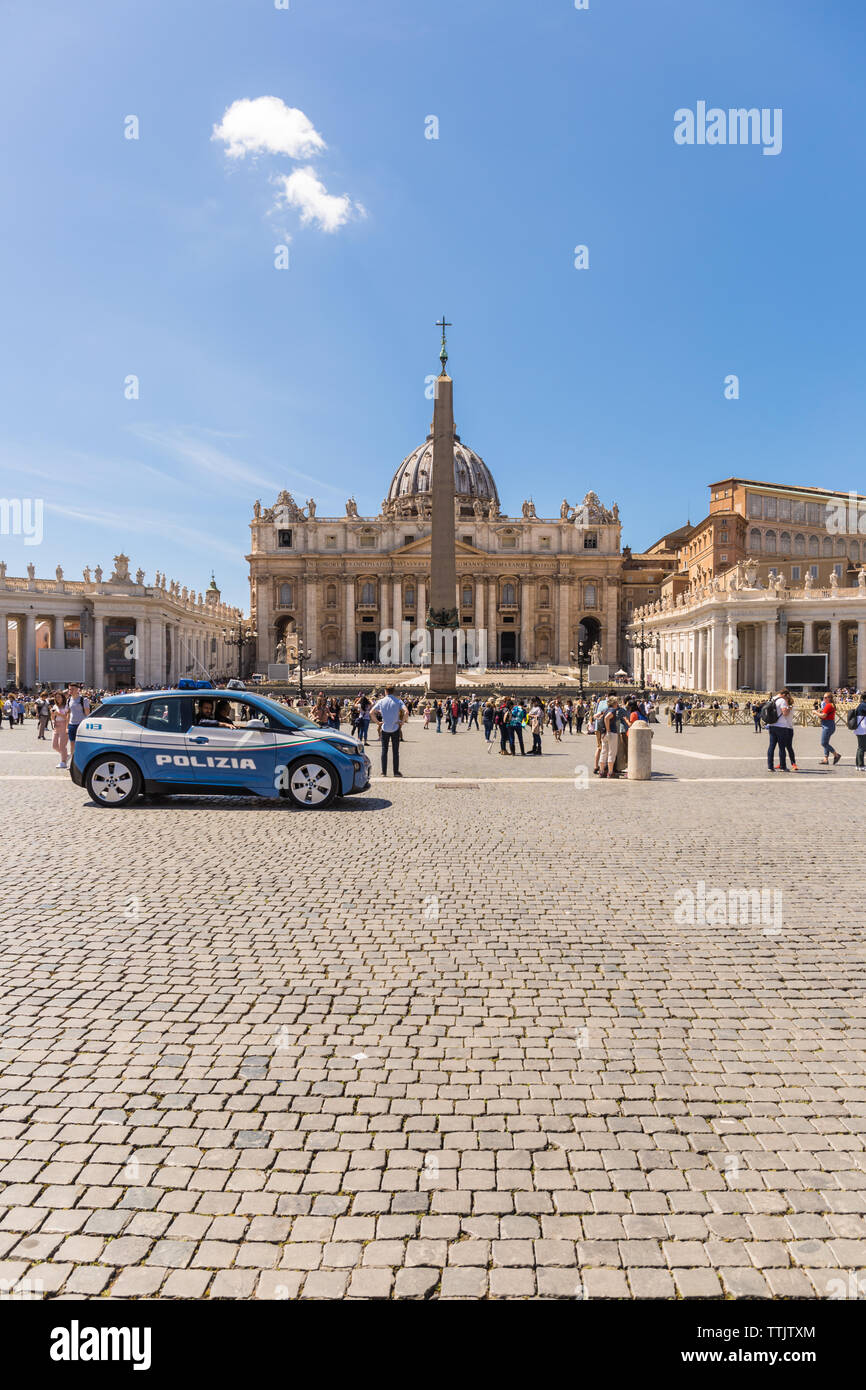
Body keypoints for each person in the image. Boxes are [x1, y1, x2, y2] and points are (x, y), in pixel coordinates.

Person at [371, 685, 407, 777]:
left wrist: (378, 722)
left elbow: (371, 712)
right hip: (395, 728)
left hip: (385, 728)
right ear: (393, 691)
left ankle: (383, 772)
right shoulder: (398, 701)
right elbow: (406, 712)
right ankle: (396, 772)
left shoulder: (381, 701)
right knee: (395, 752)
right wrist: (402, 722)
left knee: (384, 751)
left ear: (385, 691)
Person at [767, 688, 798, 772]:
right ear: (784, 694)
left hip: (772, 725)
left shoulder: (772, 698)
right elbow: (785, 713)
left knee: (771, 746)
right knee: (781, 747)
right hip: (781, 726)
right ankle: (783, 766)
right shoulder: (782, 701)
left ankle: (770, 766)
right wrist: (788, 708)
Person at [600, 696, 620, 779]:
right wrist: (608, 730)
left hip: (604, 734)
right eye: (617, 702)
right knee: (612, 752)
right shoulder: (613, 710)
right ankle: (610, 772)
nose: (618, 704)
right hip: (611, 733)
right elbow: (606, 718)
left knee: (604, 752)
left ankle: (601, 772)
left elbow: (599, 716)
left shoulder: (606, 710)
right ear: (614, 703)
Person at [818, 691, 841, 765]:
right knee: (826, 742)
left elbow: (823, 716)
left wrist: (815, 712)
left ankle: (836, 755)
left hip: (828, 725)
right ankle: (825, 759)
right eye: (823, 697)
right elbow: (826, 713)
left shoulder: (828, 705)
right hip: (829, 724)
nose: (824, 699)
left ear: (829, 698)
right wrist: (821, 711)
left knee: (823, 743)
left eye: (825, 697)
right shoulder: (831, 705)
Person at [66, 684, 91, 750]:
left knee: (82, 744)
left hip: (81, 725)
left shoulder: (84, 700)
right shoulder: (68, 700)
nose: (70, 691)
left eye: (72, 689)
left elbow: (87, 714)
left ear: (78, 690)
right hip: (71, 725)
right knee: (72, 744)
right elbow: (68, 714)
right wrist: (67, 727)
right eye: (69, 689)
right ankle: (73, 759)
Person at [52, 689, 70, 769]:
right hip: (56, 726)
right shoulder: (55, 706)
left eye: (59, 697)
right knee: (54, 745)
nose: (57, 699)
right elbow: (52, 716)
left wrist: (58, 714)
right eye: (56, 697)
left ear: (63, 698)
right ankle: (66, 756)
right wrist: (52, 719)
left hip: (64, 725)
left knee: (62, 745)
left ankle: (63, 762)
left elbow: (67, 717)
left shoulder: (66, 706)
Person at [852, 690, 866, 771]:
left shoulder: (861, 705)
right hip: (863, 729)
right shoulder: (864, 705)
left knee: (860, 747)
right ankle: (860, 765)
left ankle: (858, 765)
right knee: (861, 748)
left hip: (860, 729)